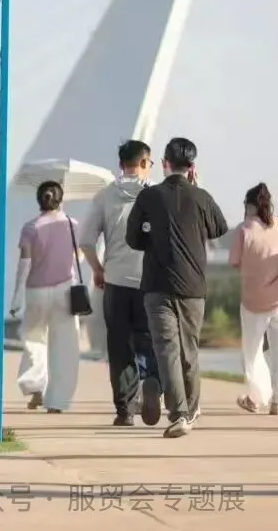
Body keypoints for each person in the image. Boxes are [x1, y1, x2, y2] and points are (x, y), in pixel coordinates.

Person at [126, 137, 228, 438]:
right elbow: (220, 227)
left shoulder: (149, 197)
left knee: (166, 349)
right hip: (193, 287)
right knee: (189, 349)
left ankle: (179, 413)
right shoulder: (202, 197)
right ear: (192, 167)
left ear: (165, 163)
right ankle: (191, 410)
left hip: (157, 286)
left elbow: (132, 239)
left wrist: (153, 238)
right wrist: (198, 189)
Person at [80, 139, 162, 427]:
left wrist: (97, 269)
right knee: (153, 340)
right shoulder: (157, 195)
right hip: (150, 281)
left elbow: (86, 240)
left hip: (115, 282)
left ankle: (125, 410)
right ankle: (152, 382)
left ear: (120, 165)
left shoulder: (104, 196)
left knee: (119, 346)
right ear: (144, 163)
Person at [10, 181, 81, 413]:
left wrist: (16, 298)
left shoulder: (30, 228)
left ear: (39, 200)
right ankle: (57, 401)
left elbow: (24, 264)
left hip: (36, 292)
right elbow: (78, 257)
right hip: (65, 290)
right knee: (65, 346)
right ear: (61, 200)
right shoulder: (72, 225)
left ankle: (35, 386)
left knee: (34, 340)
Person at [228, 183, 278, 415]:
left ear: (249, 206)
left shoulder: (243, 230)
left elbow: (234, 262)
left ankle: (257, 398)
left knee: (252, 353)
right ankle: (276, 400)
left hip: (253, 302)